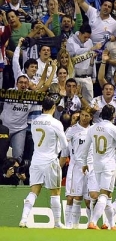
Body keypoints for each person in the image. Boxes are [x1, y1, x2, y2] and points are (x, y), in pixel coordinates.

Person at [19, 97, 68, 228]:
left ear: (42, 108)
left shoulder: (34, 122)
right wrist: (61, 158)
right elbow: (65, 146)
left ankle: (23, 219)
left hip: (36, 160)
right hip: (50, 160)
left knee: (34, 191)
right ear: (53, 108)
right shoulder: (56, 123)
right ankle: (57, 223)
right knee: (55, 192)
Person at [61, 107, 95, 229]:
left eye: (87, 116)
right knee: (74, 197)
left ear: (91, 117)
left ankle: (92, 223)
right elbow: (64, 149)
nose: (84, 118)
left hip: (91, 168)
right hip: (76, 167)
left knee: (89, 199)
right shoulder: (72, 130)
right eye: (82, 115)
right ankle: (71, 226)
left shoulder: (94, 129)